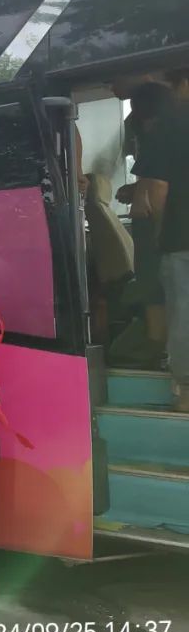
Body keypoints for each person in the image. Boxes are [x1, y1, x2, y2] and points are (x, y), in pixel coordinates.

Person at [131, 71, 189, 411]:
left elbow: (158, 188)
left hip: (181, 239)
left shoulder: (170, 125)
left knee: (183, 314)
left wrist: (159, 231)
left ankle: (186, 393)